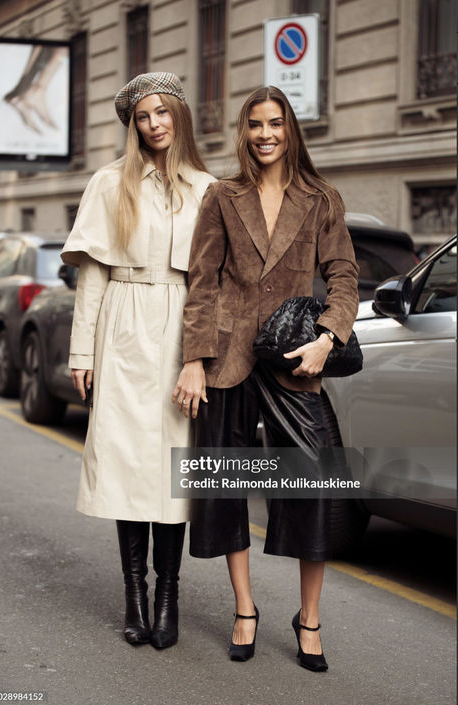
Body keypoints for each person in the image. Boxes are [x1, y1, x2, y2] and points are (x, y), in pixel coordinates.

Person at [173, 86, 359, 670]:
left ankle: (309, 618)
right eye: (255, 124)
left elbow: (345, 275)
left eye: (275, 123)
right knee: (224, 487)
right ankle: (245, 610)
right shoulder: (223, 196)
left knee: (318, 484)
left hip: (291, 356)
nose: (265, 134)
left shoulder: (322, 197)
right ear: (243, 130)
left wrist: (327, 339)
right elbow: (202, 282)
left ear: (290, 129)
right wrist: (194, 359)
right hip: (228, 357)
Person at [61, 72, 216, 649]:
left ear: (179, 115)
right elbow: (93, 274)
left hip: (179, 329)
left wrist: (200, 356)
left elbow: (212, 284)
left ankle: (167, 594)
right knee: (129, 465)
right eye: (143, 116)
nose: (154, 124)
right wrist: (83, 350)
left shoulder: (207, 188)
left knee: (172, 472)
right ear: (134, 124)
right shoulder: (108, 183)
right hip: (123, 327)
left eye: (162, 112)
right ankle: (133, 593)